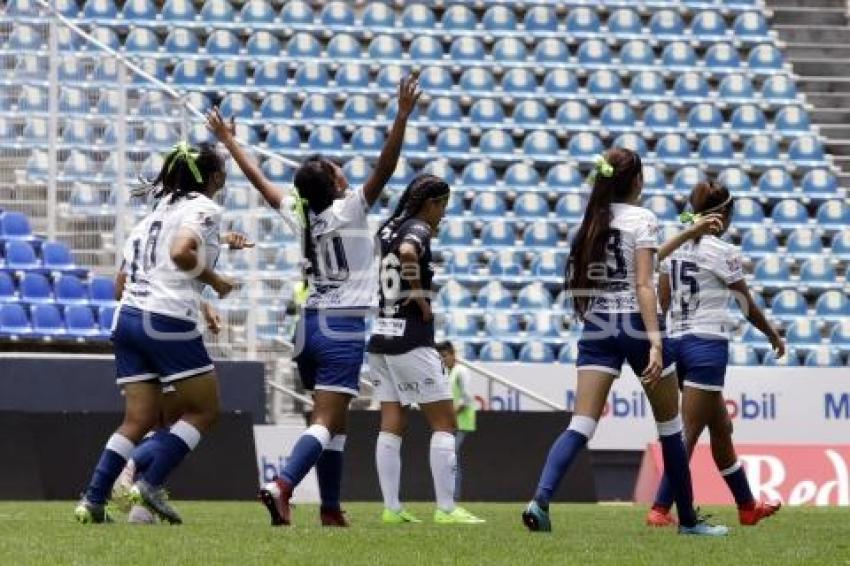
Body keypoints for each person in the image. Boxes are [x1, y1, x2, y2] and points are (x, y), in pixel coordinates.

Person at [207, 74, 421, 527]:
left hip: (306, 326)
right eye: (335, 168)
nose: (342, 169)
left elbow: (261, 181)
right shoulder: (350, 209)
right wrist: (401, 117)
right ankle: (282, 485)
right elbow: (385, 168)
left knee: (334, 423)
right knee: (325, 421)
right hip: (341, 326)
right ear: (333, 185)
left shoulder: (300, 214)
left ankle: (329, 508)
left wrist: (228, 141)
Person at [521, 148, 728, 536]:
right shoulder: (642, 218)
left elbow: (630, 269)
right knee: (670, 428)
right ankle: (687, 521)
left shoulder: (591, 219)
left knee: (581, 423)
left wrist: (687, 233)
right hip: (635, 322)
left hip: (598, 324)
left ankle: (540, 501)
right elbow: (644, 283)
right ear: (636, 181)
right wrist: (654, 341)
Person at [75, 142, 236, 524]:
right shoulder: (203, 208)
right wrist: (216, 282)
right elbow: (182, 253)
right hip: (166, 321)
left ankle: (94, 500)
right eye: (222, 172)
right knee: (204, 411)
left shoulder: (151, 217)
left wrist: (197, 298)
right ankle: (149, 484)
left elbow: (120, 286)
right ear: (213, 177)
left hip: (128, 319)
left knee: (138, 419)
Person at [647, 181, 784, 528]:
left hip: (678, 343)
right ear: (722, 213)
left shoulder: (676, 247)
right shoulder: (724, 251)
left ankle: (747, 506)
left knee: (720, 426)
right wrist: (772, 336)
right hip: (707, 345)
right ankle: (660, 508)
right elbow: (746, 305)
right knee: (689, 431)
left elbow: (663, 300)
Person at [368, 175, 485, 525]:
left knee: (392, 422)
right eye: (443, 207)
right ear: (430, 203)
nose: (442, 216)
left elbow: (391, 251)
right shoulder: (417, 228)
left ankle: (392, 508)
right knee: (445, 423)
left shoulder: (390, 226)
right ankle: (447, 509)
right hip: (410, 339)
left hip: (380, 337)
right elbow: (408, 253)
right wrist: (418, 294)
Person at [436, 341, 476, 500]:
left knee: (451, 459)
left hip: (461, 422)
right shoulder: (447, 372)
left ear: (453, 355)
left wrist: (450, 415)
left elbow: (466, 399)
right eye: (440, 357)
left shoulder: (460, 372)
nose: (443, 360)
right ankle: (451, 496)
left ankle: (453, 497)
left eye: (445, 356)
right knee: (452, 459)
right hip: (452, 423)